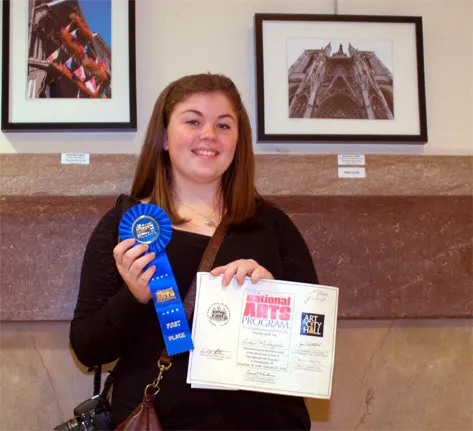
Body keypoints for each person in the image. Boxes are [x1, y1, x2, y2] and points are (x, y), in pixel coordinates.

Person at [70, 73, 319, 430]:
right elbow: (88, 349)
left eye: (223, 125)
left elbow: (313, 346)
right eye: (192, 121)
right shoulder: (125, 224)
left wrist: (274, 295)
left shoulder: (273, 225)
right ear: (165, 138)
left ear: (238, 141)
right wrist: (135, 296)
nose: (209, 135)